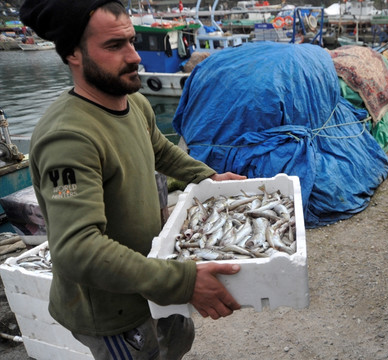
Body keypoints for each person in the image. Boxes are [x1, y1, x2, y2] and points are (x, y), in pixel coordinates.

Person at [20, 1, 247, 359]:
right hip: (114, 312)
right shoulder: (68, 139)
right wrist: (184, 282)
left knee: (175, 345)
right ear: (73, 55)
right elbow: (77, 250)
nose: (135, 56)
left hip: (153, 280)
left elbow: (160, 150)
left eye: (131, 40)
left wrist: (209, 177)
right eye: (114, 46)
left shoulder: (134, 102)